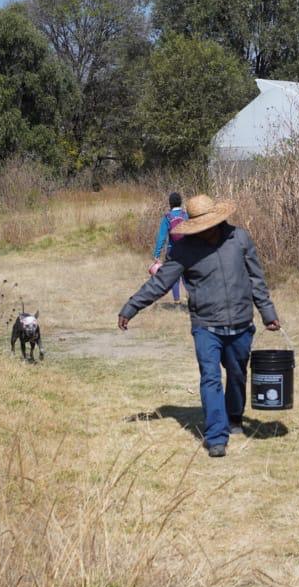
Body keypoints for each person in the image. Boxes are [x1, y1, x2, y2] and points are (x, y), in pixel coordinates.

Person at [119, 194, 281, 458]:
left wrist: (267, 312)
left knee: (238, 373)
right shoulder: (183, 250)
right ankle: (216, 436)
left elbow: (256, 278)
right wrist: (131, 307)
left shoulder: (239, 238)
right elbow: (160, 283)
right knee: (210, 378)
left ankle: (234, 416)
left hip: (241, 322)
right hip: (206, 325)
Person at [151, 192, 188, 304]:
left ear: (170, 203)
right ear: (181, 202)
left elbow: (161, 237)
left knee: (174, 276)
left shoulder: (168, 217)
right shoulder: (185, 215)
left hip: (173, 250)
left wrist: (157, 254)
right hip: (187, 249)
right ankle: (190, 295)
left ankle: (177, 300)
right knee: (186, 274)